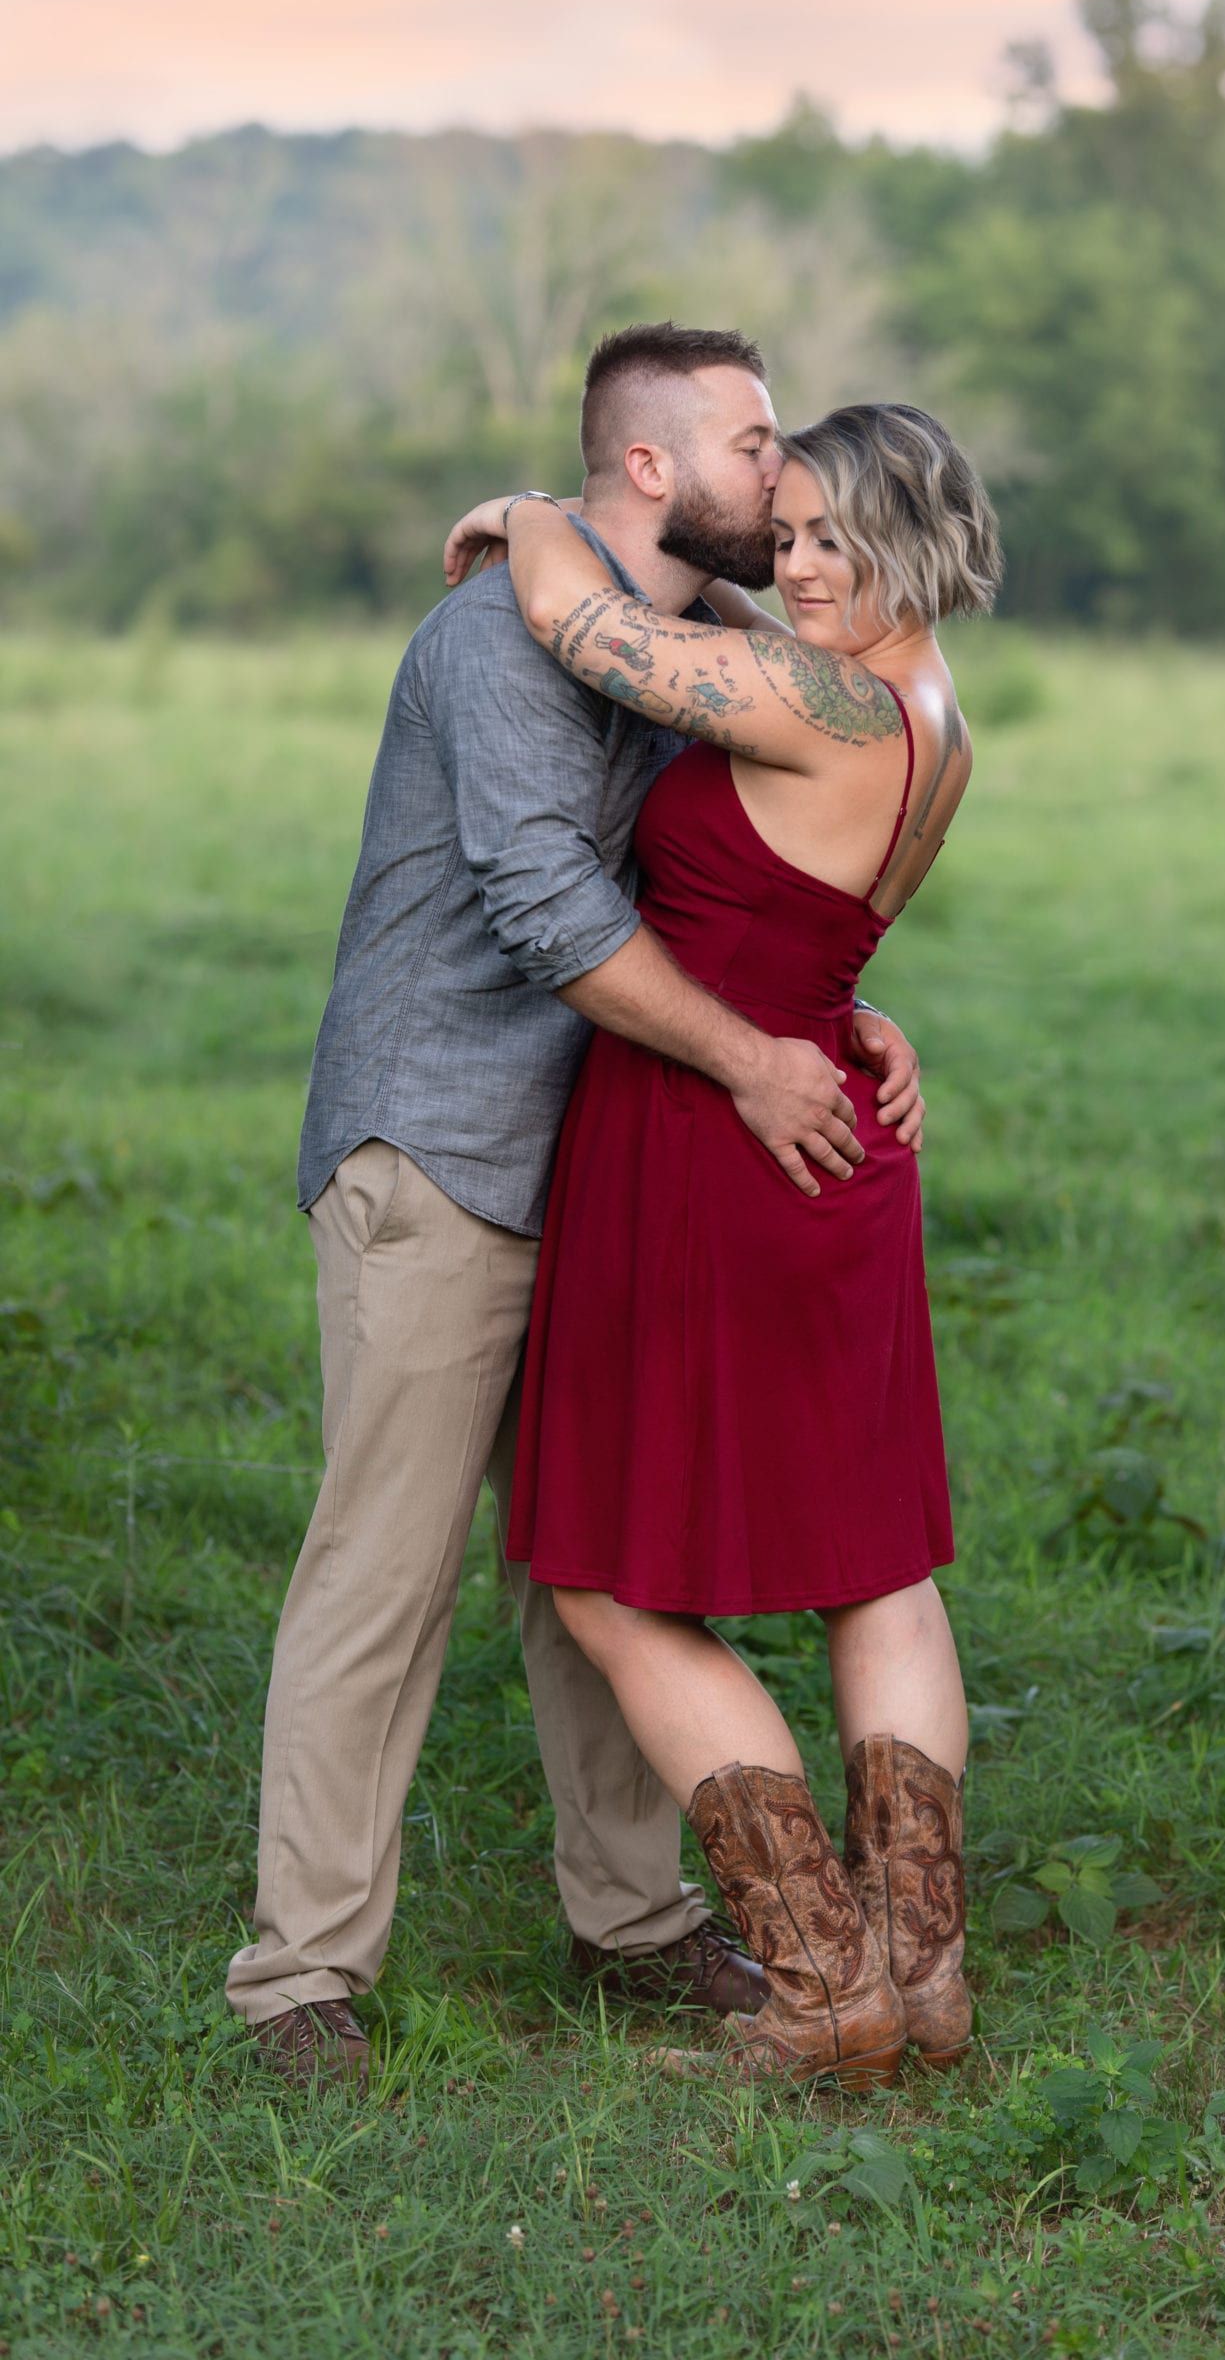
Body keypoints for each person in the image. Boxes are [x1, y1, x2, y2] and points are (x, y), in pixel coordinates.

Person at [227, 324, 926, 2083]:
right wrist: (757, 1062)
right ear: (649, 468)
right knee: (385, 1573)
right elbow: (550, 909)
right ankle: (303, 1974)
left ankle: (632, 1922)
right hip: (445, 1149)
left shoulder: (692, 641)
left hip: (613, 1160)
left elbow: (771, 848)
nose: (784, 478)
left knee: (602, 1563)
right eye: (757, 445)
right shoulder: (495, 642)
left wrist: (837, 1015)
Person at [440, 394, 1001, 2087]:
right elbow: (799, 894)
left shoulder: (820, 699)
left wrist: (538, 507)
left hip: (716, 1135)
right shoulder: (928, 710)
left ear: (921, 539)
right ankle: (922, 1975)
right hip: (827, 1117)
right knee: (873, 1570)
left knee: (608, 1576)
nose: (801, 560)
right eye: (798, 526)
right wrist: (856, 1008)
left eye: (841, 536)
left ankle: (825, 1982)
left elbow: (581, 621)